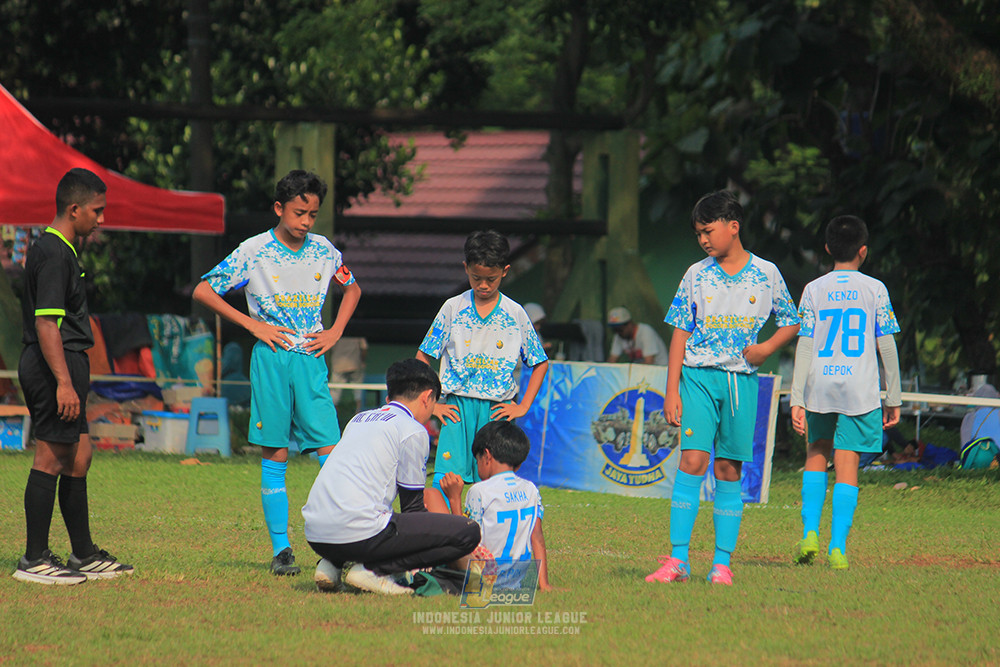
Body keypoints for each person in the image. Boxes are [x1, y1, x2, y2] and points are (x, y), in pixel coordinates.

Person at [193, 170, 361, 576]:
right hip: (269, 359)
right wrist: (253, 326)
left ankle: (341, 544)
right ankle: (282, 550)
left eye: (313, 214)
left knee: (330, 454)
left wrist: (335, 331)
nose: (306, 222)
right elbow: (203, 290)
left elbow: (352, 288)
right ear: (279, 208)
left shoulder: (325, 251)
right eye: (299, 212)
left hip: (310, 360)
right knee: (276, 453)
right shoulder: (253, 251)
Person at [646, 190, 799, 586]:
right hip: (697, 378)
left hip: (740, 384)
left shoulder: (767, 273)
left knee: (728, 467)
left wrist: (766, 348)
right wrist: (672, 389)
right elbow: (680, 332)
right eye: (698, 234)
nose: (703, 240)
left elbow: (793, 320)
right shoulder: (696, 275)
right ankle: (678, 560)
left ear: (733, 227)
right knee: (692, 461)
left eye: (708, 231)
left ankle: (722, 564)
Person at [13, 168, 133, 584]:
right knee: (51, 456)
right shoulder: (53, 253)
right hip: (53, 366)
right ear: (74, 208)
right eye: (97, 211)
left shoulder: (63, 250)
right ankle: (34, 559)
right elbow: (47, 324)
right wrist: (63, 381)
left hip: (66, 364)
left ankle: (82, 554)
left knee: (79, 456)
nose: (101, 219)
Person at [302, 358, 481, 595]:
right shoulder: (413, 430)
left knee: (374, 515)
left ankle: (332, 564)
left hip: (316, 534)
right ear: (427, 397)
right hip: (361, 532)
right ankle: (377, 570)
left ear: (390, 396)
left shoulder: (358, 419)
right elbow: (413, 508)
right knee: (467, 531)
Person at [789, 215, 901, 570]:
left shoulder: (813, 289)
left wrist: (796, 397)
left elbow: (804, 346)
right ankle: (837, 547)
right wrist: (893, 396)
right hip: (859, 387)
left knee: (817, 451)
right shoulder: (875, 289)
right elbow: (887, 347)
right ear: (863, 251)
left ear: (827, 249)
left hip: (820, 384)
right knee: (847, 460)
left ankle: (809, 532)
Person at [416, 230, 549, 512]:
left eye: (491, 278)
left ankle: (486, 545)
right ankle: (447, 547)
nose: (484, 285)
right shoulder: (453, 308)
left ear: (505, 271)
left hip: (496, 412)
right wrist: (433, 406)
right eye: (476, 278)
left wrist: (522, 406)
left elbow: (540, 362)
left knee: (492, 483)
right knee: (444, 480)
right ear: (466, 268)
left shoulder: (515, 314)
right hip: (455, 408)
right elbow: (423, 356)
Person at [438, 420, 552, 591]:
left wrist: (454, 499)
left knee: (432, 498)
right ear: (519, 463)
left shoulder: (480, 491)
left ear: (487, 456)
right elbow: (537, 537)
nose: (477, 466)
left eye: (477, 460)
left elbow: (466, 540)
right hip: (515, 581)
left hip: (484, 579)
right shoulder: (531, 489)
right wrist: (544, 584)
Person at [328, 336, 368, 408]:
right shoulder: (357, 332)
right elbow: (364, 348)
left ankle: (333, 415)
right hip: (354, 365)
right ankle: (358, 412)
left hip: (339, 365)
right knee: (358, 391)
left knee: (335, 392)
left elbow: (330, 348)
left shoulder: (337, 333)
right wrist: (362, 361)